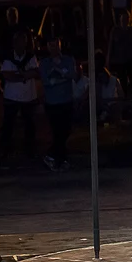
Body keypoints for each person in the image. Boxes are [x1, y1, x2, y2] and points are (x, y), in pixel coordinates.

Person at [0, 32, 40, 164]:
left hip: (28, 97)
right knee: (8, 125)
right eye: (18, 42)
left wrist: (19, 75)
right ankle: (5, 150)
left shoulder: (30, 57)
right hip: (11, 97)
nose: (20, 44)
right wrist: (23, 76)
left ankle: (30, 150)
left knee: (30, 125)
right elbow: (6, 75)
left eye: (23, 41)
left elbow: (35, 72)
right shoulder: (8, 57)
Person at [38, 38, 76, 171]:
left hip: (66, 101)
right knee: (57, 131)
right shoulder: (44, 63)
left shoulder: (68, 60)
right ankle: (60, 159)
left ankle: (53, 156)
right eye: (51, 45)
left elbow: (72, 75)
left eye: (56, 45)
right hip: (52, 103)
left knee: (66, 130)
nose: (54, 48)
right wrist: (62, 77)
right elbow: (47, 81)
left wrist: (58, 75)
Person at [106, 11, 132, 96]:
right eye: (123, 19)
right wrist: (108, 60)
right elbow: (111, 46)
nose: (125, 21)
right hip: (119, 61)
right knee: (122, 81)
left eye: (126, 18)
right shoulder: (115, 30)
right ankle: (124, 98)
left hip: (130, 60)